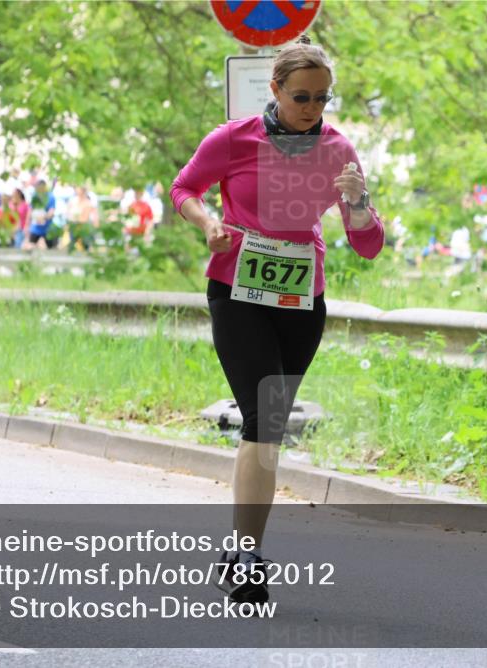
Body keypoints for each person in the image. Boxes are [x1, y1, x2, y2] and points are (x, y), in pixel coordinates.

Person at [170, 36, 384, 604]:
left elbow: (367, 244)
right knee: (263, 420)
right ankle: (247, 555)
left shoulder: (339, 150)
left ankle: (241, 548)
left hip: (299, 300)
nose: (312, 109)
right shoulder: (233, 139)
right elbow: (183, 187)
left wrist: (359, 204)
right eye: (301, 97)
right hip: (237, 291)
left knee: (270, 423)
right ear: (275, 90)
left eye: (322, 98)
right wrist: (207, 222)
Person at [28, 179, 57, 248]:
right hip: (35, 228)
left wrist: (44, 217)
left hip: (47, 228)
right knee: (31, 246)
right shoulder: (35, 196)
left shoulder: (50, 197)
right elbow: (30, 210)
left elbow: (51, 212)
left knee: (50, 248)